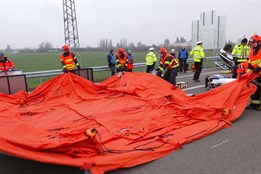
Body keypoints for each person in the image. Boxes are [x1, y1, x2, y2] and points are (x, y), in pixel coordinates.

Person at [246, 34, 261, 111]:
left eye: (253, 42)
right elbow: (250, 61)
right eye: (251, 42)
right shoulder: (252, 51)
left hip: (259, 72)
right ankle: (255, 104)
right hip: (256, 74)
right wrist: (248, 70)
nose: (251, 43)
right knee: (256, 89)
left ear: (258, 42)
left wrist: (258, 67)